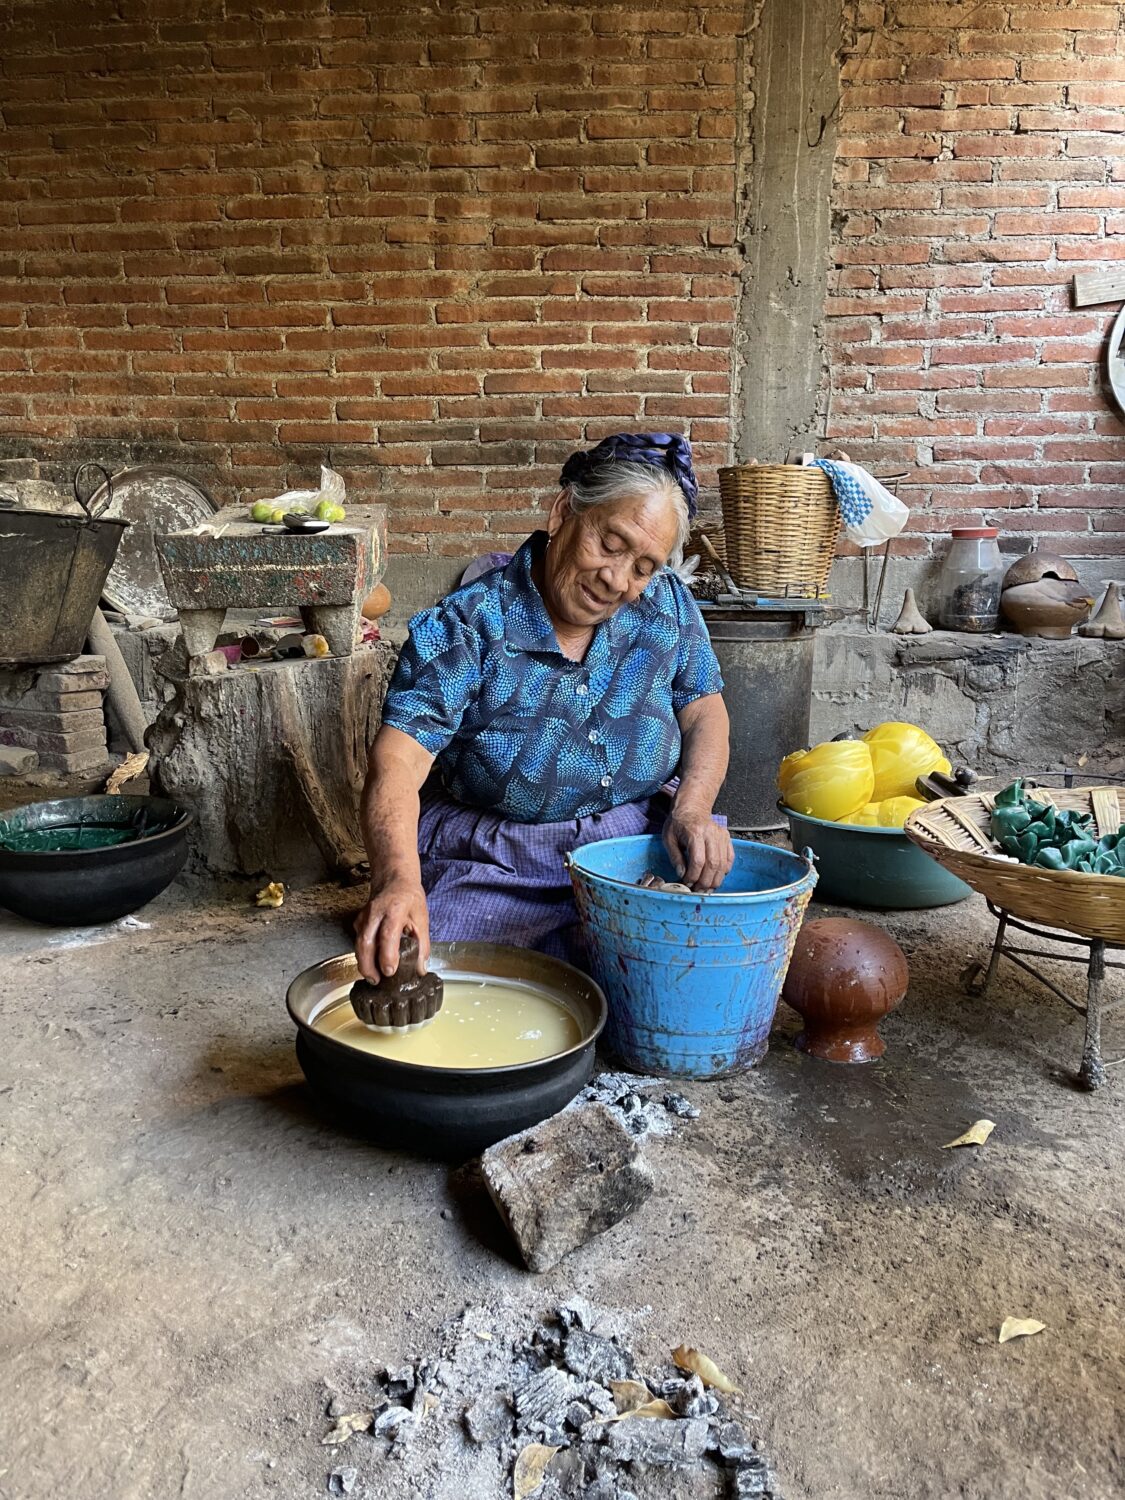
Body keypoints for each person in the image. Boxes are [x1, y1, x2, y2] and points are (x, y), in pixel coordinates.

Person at [353, 433, 734, 981]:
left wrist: (692, 809)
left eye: (643, 565)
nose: (617, 580)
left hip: (640, 842)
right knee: (451, 976)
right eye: (610, 543)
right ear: (563, 512)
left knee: (712, 965)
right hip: (500, 859)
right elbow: (397, 763)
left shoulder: (666, 605)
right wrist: (396, 881)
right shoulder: (468, 627)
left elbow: (704, 710)